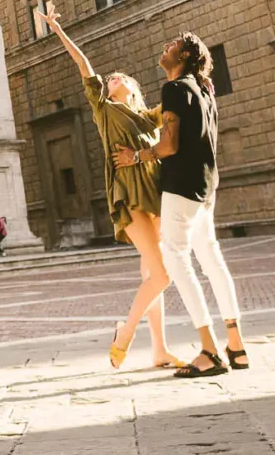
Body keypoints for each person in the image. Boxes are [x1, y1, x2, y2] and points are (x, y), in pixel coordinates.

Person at [37, 3, 183, 371]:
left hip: (155, 192)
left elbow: (175, 104)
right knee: (163, 274)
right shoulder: (103, 107)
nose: (112, 78)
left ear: (133, 88)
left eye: (120, 77)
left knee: (152, 274)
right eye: (111, 77)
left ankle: (160, 350)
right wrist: (57, 29)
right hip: (128, 194)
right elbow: (83, 65)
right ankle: (125, 331)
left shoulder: (146, 114)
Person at [115, 32, 248, 378]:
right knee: (211, 259)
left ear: (185, 54)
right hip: (207, 186)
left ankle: (209, 350)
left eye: (171, 45)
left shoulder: (174, 89)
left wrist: (136, 157)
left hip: (181, 186)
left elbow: (169, 145)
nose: (164, 47)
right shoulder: (205, 90)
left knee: (176, 259)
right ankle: (236, 345)